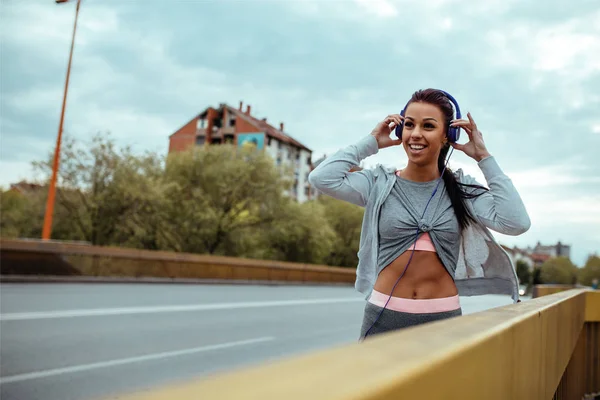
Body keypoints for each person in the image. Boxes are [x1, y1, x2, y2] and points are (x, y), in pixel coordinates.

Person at [308, 88, 531, 340]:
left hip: (442, 321)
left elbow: (516, 222)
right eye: (410, 125)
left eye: (428, 126)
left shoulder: (462, 189)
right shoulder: (378, 183)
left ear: (448, 135)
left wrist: (483, 156)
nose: (416, 134)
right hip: (383, 317)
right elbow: (321, 178)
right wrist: (370, 142)